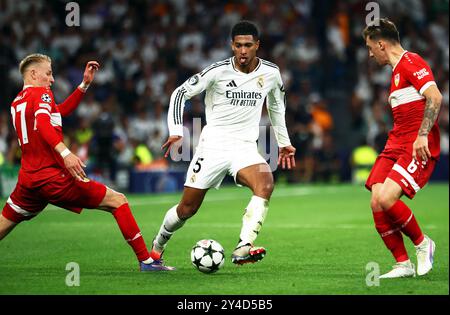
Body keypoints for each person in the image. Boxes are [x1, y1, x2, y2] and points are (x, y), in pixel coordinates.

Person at [0, 53, 173, 271]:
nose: (52, 80)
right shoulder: (42, 94)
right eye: (48, 73)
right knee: (117, 200)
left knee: (4, 223)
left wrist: (83, 86)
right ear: (33, 74)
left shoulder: (17, 102)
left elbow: (58, 113)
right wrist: (66, 153)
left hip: (28, 179)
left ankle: (147, 261)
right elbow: (44, 124)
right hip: (51, 177)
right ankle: (147, 261)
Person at [150, 20, 296, 269]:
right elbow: (179, 93)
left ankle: (243, 246)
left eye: (248, 45)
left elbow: (276, 106)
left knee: (265, 183)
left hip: (245, 147)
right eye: (238, 45)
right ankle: (156, 250)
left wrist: (283, 142)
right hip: (213, 147)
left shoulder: (271, 73)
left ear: (257, 46)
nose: (242, 51)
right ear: (232, 46)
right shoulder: (216, 71)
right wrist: (176, 130)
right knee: (186, 209)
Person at [363, 19, 442, 278]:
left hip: (414, 142)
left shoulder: (411, 62)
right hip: (395, 141)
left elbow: (435, 97)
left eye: (370, 47)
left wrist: (422, 135)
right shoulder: (396, 71)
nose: (369, 53)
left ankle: (422, 244)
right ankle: (402, 264)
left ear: (381, 44)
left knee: (387, 198)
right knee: (376, 200)